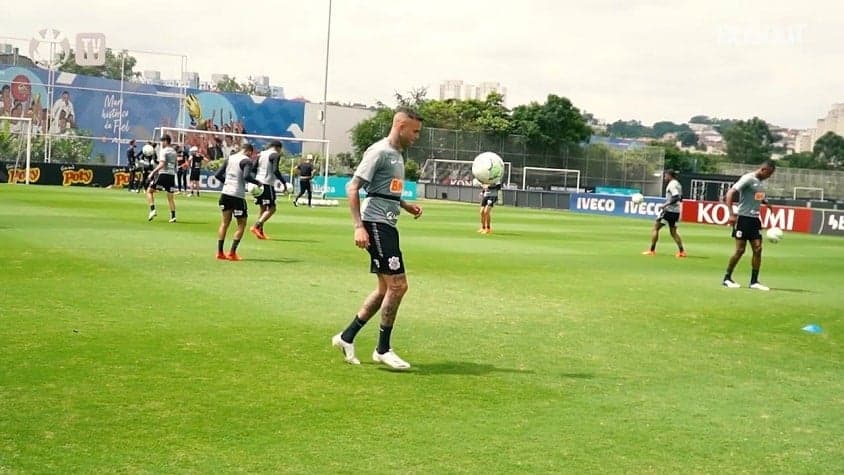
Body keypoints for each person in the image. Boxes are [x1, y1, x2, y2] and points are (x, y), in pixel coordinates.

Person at [331, 108, 424, 370]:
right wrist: (358, 226)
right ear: (400, 125)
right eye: (415, 131)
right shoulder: (379, 151)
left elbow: (382, 189)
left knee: (385, 289)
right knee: (398, 286)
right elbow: (353, 187)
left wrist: (404, 205)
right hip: (376, 224)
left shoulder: (397, 155)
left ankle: (347, 337)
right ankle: (383, 349)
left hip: (388, 223)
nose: (417, 137)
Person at [722, 160, 776, 290]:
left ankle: (754, 281)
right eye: (769, 174)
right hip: (743, 218)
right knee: (740, 250)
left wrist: (766, 203)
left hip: (754, 219)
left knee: (758, 249)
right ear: (763, 169)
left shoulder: (759, 183)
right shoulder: (747, 178)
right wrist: (731, 214)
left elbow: (757, 195)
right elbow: (730, 193)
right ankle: (727, 278)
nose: (769, 176)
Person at [214, 143, 262, 261]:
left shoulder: (230, 158)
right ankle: (232, 253)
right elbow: (246, 176)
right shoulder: (246, 161)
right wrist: (257, 183)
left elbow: (217, 174)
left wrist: (226, 183)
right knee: (241, 224)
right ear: (249, 152)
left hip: (225, 193)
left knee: (224, 223)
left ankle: (220, 252)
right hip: (237, 196)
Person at [250, 140, 289, 239]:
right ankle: (256, 226)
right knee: (272, 208)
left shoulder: (261, 154)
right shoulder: (275, 155)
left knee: (263, 209)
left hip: (258, 183)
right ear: (278, 147)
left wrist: (255, 181)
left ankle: (260, 232)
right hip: (267, 183)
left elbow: (253, 168)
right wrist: (284, 183)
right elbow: (275, 170)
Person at [642, 169, 686, 257]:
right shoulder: (678, 184)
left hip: (669, 211)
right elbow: (681, 198)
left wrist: (665, 205)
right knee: (673, 232)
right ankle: (682, 252)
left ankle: (652, 250)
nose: (664, 177)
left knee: (655, 228)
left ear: (669, 176)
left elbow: (676, 197)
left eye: (665, 176)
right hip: (676, 211)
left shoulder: (672, 185)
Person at [146, 135, 178, 223]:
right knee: (170, 197)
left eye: (162, 141)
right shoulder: (174, 152)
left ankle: (152, 210)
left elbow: (162, 164)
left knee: (149, 191)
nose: (161, 143)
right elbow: (175, 165)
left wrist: (153, 172)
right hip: (171, 175)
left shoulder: (164, 151)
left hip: (163, 174)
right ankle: (173, 216)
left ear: (165, 141)